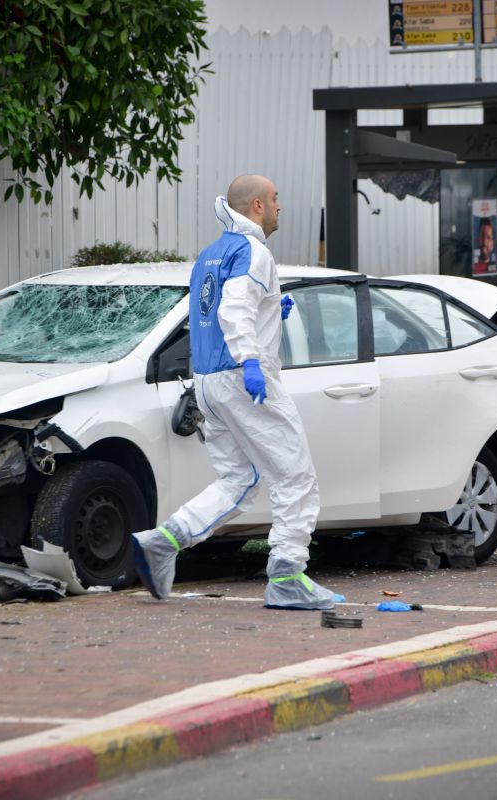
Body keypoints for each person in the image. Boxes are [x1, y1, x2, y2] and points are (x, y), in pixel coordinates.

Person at [130, 175, 339, 610]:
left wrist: (269, 313)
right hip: (243, 378)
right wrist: (250, 360)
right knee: (294, 477)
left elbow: (212, 312)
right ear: (258, 206)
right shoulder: (253, 251)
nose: (282, 206)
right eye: (276, 199)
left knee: (239, 480)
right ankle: (287, 577)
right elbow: (233, 308)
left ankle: (163, 541)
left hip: (207, 381)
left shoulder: (211, 254)